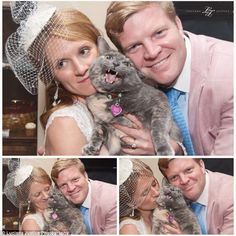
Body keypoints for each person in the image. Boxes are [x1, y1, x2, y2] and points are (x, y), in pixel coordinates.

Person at [105, 1, 233, 155]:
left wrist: (168, 151)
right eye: (134, 46)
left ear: (178, 24)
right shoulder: (132, 81)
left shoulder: (229, 76)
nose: (151, 52)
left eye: (159, 33)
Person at [5, 1, 108, 155]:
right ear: (53, 76)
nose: (80, 69)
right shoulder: (66, 123)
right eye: (62, 63)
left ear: (100, 46)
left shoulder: (109, 100)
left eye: (83, 51)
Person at [158, 158, 234, 234]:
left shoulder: (231, 196)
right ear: (168, 182)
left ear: (201, 166)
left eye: (188, 170)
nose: (184, 180)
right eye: (174, 177)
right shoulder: (172, 198)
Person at [50, 158, 117, 234]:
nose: (71, 188)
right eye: (63, 185)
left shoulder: (113, 200)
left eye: (75, 179)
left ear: (85, 175)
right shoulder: (61, 201)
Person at [119, 158, 181, 234]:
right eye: (145, 192)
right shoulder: (129, 229)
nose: (156, 193)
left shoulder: (161, 212)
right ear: (131, 202)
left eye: (154, 184)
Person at [4, 165, 52, 233]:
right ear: (28, 198)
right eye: (37, 194)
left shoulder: (49, 210)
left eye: (47, 189)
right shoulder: (30, 223)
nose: (46, 196)